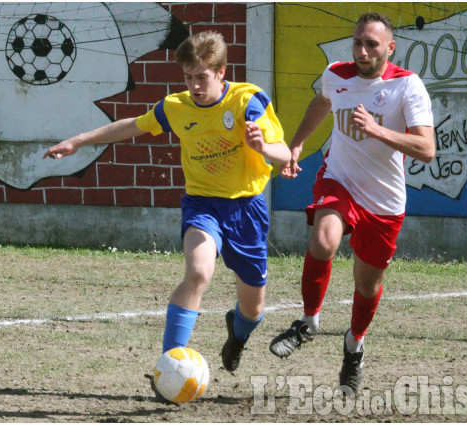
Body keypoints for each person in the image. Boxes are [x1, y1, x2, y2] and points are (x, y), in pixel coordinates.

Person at [44, 31, 291, 398]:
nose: (194, 85)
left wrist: (264, 146)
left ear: (221, 72)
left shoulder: (247, 101)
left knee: (252, 310)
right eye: (188, 77)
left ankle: (236, 336)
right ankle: (168, 369)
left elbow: (285, 155)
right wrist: (78, 140)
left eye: (202, 76)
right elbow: (133, 125)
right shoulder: (176, 106)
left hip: (247, 209)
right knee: (198, 271)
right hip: (202, 204)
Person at [269, 12, 435, 393]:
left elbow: (426, 149)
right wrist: (297, 144)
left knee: (367, 285)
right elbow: (321, 102)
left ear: (390, 48)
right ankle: (308, 323)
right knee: (324, 240)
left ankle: (354, 344)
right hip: (339, 180)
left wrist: (377, 129)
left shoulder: (408, 86)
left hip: (384, 200)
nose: (362, 51)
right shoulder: (336, 74)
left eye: (371, 44)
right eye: (357, 42)